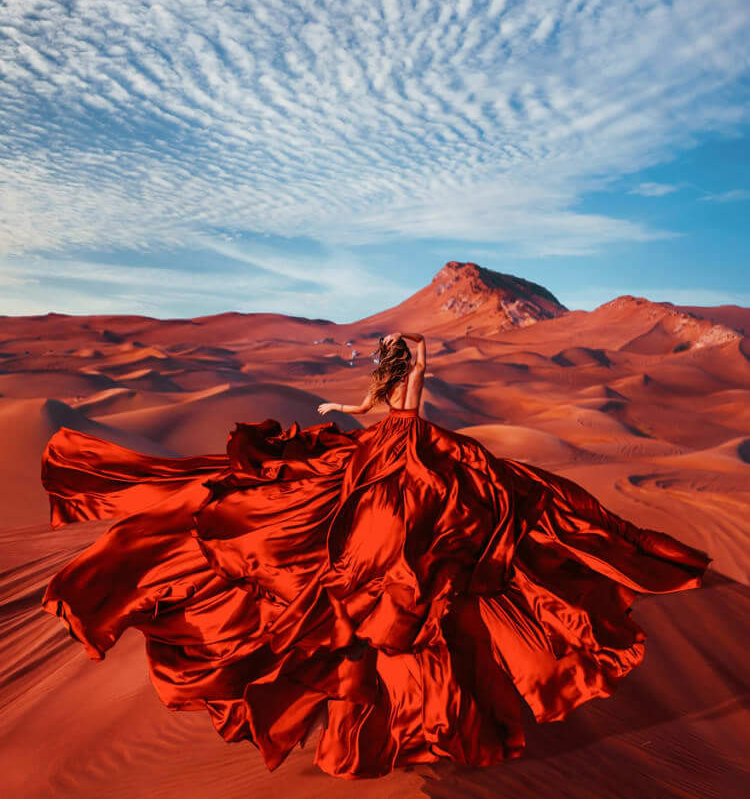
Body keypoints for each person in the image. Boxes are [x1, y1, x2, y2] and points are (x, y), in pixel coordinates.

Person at [40, 330, 711, 780]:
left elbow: (385, 396)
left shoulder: (399, 375)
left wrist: (390, 370)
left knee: (397, 513)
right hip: (404, 439)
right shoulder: (402, 375)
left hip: (399, 442)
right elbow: (385, 392)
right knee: (378, 511)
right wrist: (366, 387)